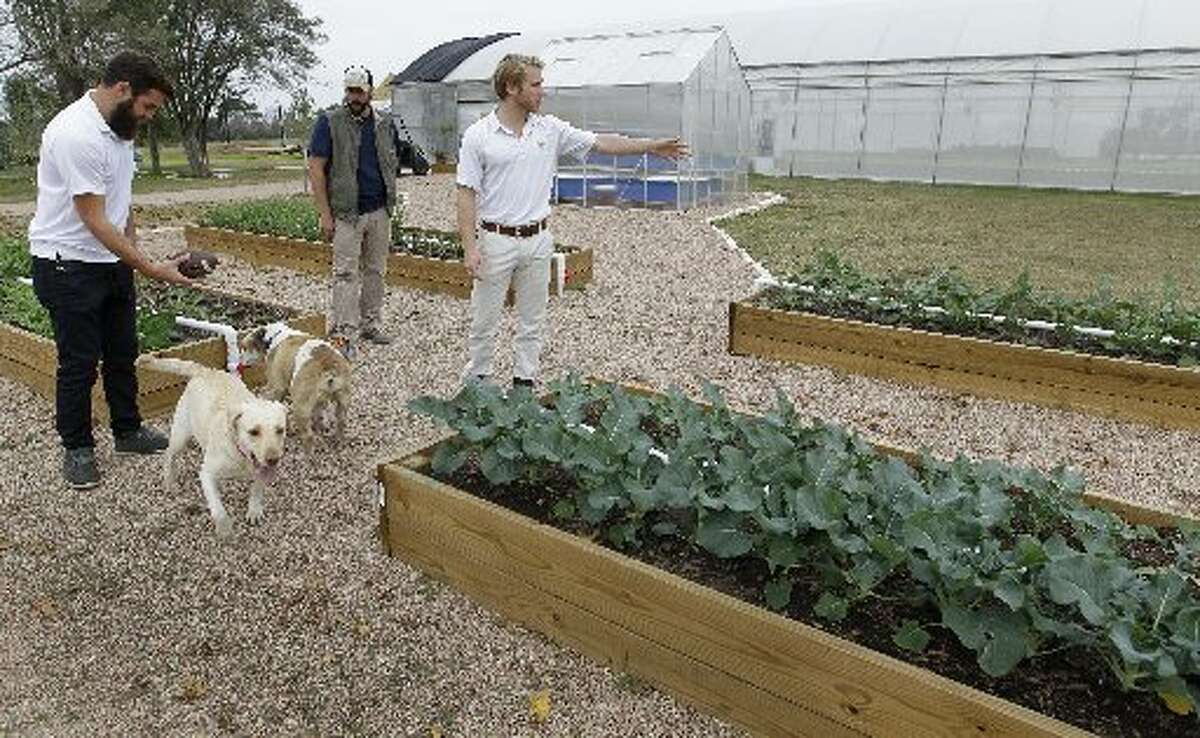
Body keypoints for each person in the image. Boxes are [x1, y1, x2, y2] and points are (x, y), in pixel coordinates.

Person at [456, 54, 689, 388]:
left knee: (533, 322)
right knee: (484, 322)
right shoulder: (479, 136)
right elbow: (466, 193)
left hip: (538, 241)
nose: (542, 91)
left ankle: (524, 386)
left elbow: (601, 142)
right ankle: (478, 385)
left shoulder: (550, 129)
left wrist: (650, 146)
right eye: (535, 84)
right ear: (511, 87)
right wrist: (469, 248)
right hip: (495, 241)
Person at [28, 51, 190, 490]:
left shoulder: (121, 130)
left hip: (109, 261)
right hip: (67, 264)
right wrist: (152, 268)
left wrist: (132, 255)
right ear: (122, 89)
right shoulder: (75, 133)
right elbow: (95, 220)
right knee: (79, 362)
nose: (150, 116)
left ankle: (127, 431)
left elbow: (120, 204)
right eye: (148, 106)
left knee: (122, 352)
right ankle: (77, 448)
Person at [308, 65, 412, 359]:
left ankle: (371, 325)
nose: (354, 97)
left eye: (359, 91)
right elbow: (316, 168)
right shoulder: (329, 122)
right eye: (350, 91)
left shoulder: (384, 123)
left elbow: (393, 159)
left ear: (370, 92)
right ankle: (344, 333)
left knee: (376, 271)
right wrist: (325, 214)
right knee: (344, 273)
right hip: (347, 213)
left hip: (379, 210)